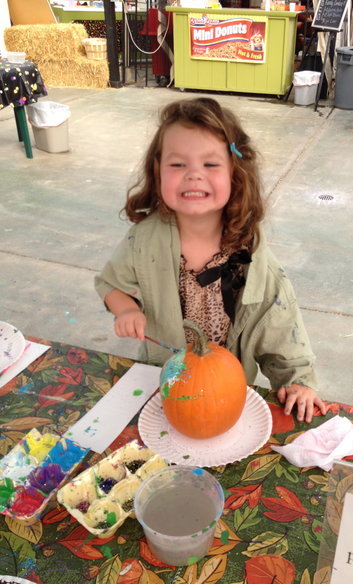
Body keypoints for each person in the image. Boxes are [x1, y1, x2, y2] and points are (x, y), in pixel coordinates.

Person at [95, 97, 326, 423]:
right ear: (157, 169)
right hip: (162, 386)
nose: (193, 175)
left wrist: (297, 382)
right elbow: (110, 284)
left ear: (235, 172)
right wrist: (126, 308)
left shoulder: (253, 260)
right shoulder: (143, 241)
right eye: (177, 165)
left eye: (211, 164)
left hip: (226, 394)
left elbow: (280, 326)